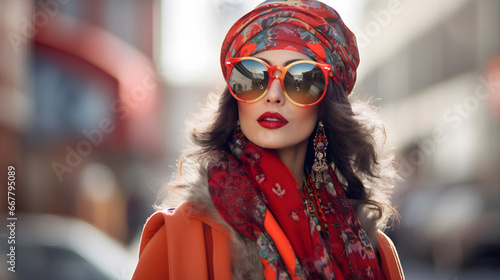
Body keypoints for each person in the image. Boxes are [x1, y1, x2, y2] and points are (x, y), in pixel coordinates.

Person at [132, 0, 404, 279]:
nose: (273, 94)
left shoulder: (374, 250)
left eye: (300, 79)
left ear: (326, 105)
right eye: (252, 76)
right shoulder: (179, 237)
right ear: (235, 101)